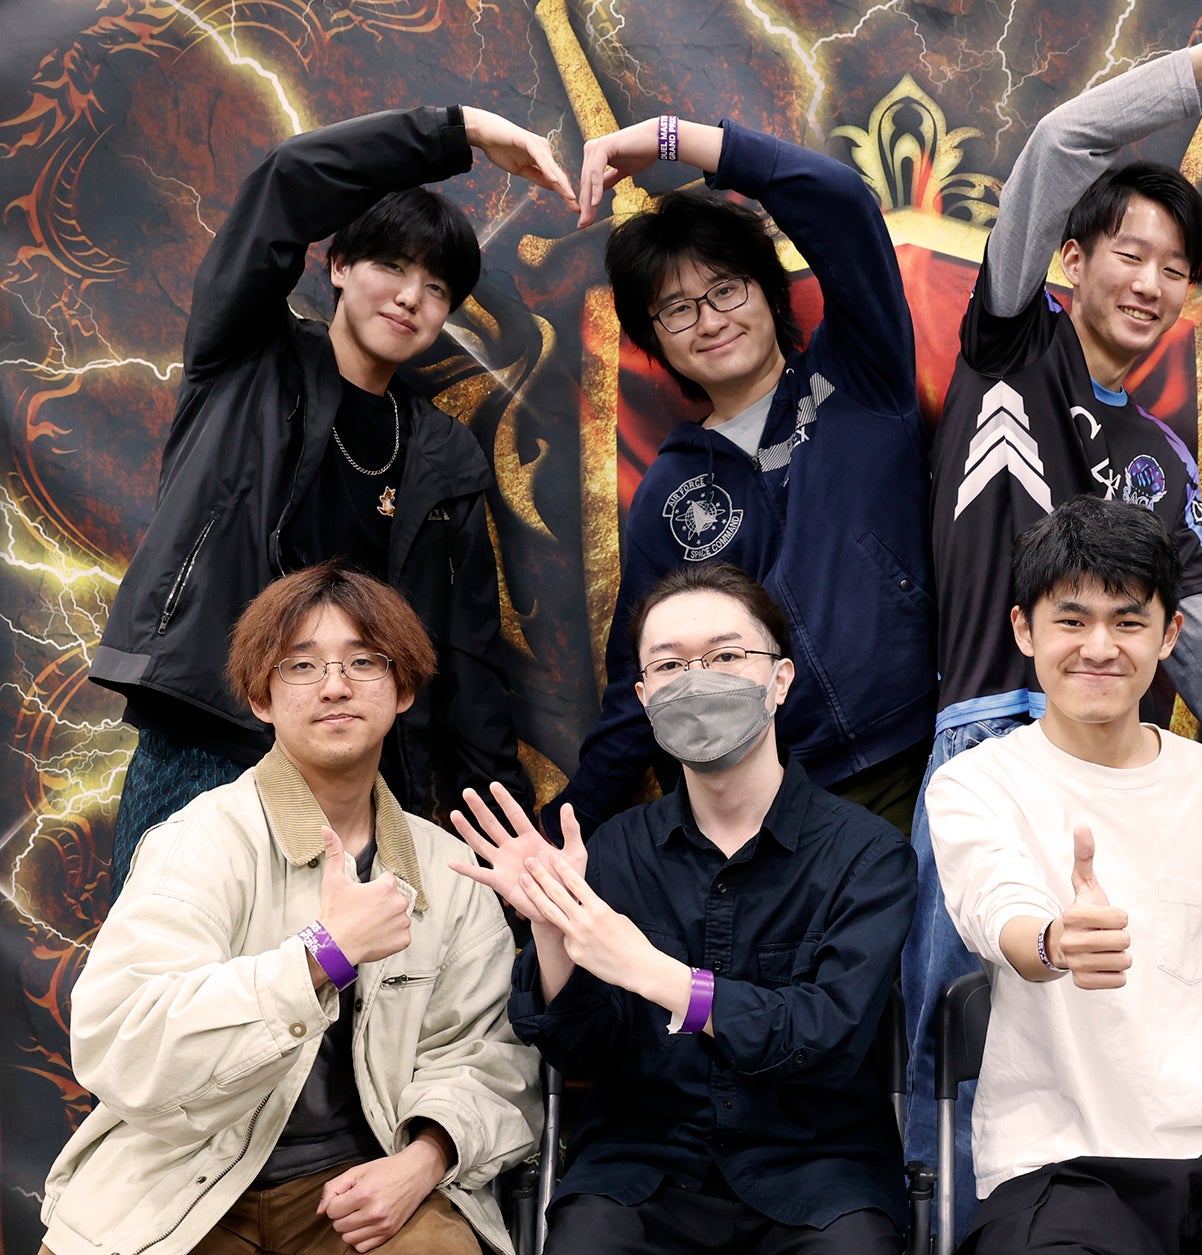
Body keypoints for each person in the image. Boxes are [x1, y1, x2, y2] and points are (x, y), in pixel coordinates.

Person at [912, 20, 1202, 1214]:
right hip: (990, 747)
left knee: (1146, 1025)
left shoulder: (1159, 454)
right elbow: (1063, 138)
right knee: (958, 1047)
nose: (1153, 283)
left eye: (1178, 268)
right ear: (1072, 259)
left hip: (1139, 771)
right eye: (1132, 254)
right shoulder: (1013, 344)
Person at [93, 105, 574, 892]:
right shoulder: (247, 357)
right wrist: (460, 133)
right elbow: (286, 181)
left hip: (355, 772)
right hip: (211, 734)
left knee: (334, 970)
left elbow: (466, 656)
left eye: (437, 287)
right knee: (171, 958)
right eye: (392, 265)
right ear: (340, 264)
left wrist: (508, 835)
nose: (411, 297)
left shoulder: (444, 453)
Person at [40, 563, 540, 1255]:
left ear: (403, 689)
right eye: (302, 665)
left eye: (364, 661)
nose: (335, 685)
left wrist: (423, 1161)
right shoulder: (199, 841)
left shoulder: (450, 872)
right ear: (261, 698)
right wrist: (321, 955)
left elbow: (488, 1059)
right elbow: (121, 1041)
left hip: (361, 1183)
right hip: (183, 1180)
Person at [452, 562, 917, 1255]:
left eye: (726, 656)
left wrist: (658, 975)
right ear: (643, 697)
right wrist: (552, 927)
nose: (698, 680)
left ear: (780, 679)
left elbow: (827, 1037)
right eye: (670, 665)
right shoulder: (613, 850)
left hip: (819, 1177)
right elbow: (580, 1049)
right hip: (639, 1173)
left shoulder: (867, 854)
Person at [926, 496, 1202, 1254]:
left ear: (1169, 634)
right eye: (1071, 620)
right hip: (1055, 1168)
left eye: (1127, 621)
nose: (1099, 647)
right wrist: (1056, 943)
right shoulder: (974, 783)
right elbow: (999, 910)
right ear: (1024, 629)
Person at [546, 113, 934, 838]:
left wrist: (672, 139)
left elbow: (843, 207)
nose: (709, 320)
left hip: (922, 753)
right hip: (777, 804)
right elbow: (641, 691)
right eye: (677, 309)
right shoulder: (668, 494)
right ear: (654, 341)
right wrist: (554, 837)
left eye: (726, 289)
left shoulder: (859, 377)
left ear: (770, 292)